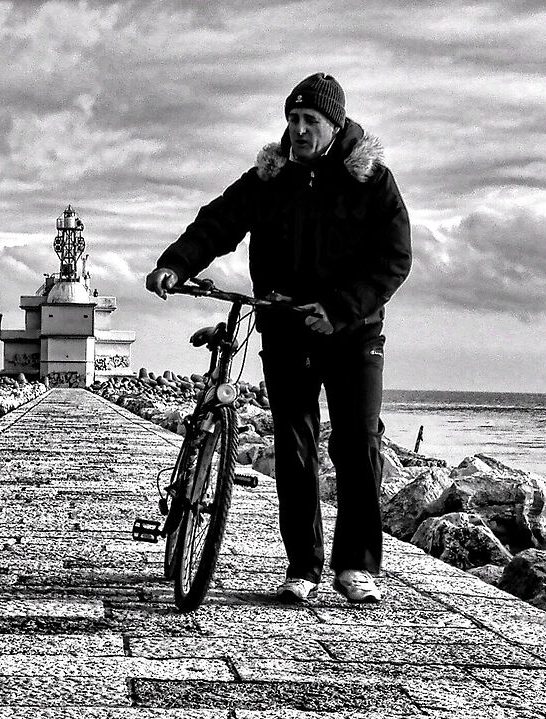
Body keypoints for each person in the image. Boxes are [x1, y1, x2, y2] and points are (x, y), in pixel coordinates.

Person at [147, 73, 411, 605]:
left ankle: (357, 565)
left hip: (353, 331)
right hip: (285, 324)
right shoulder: (269, 177)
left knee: (357, 444)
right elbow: (219, 221)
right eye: (292, 119)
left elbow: (395, 257)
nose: (298, 130)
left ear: (334, 125)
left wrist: (338, 308)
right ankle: (304, 566)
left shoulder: (372, 180)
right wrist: (175, 264)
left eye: (309, 121)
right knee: (293, 445)